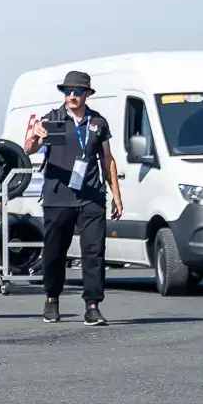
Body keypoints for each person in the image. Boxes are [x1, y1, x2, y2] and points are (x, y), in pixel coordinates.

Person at [24, 70, 124, 325]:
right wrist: (36, 134)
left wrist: (116, 195)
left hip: (91, 195)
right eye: (67, 92)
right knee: (55, 251)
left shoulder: (98, 122)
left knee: (94, 251)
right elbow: (29, 149)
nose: (72, 96)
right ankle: (51, 298)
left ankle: (92, 305)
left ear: (87, 94)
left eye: (77, 92)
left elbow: (107, 159)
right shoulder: (52, 119)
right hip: (59, 196)